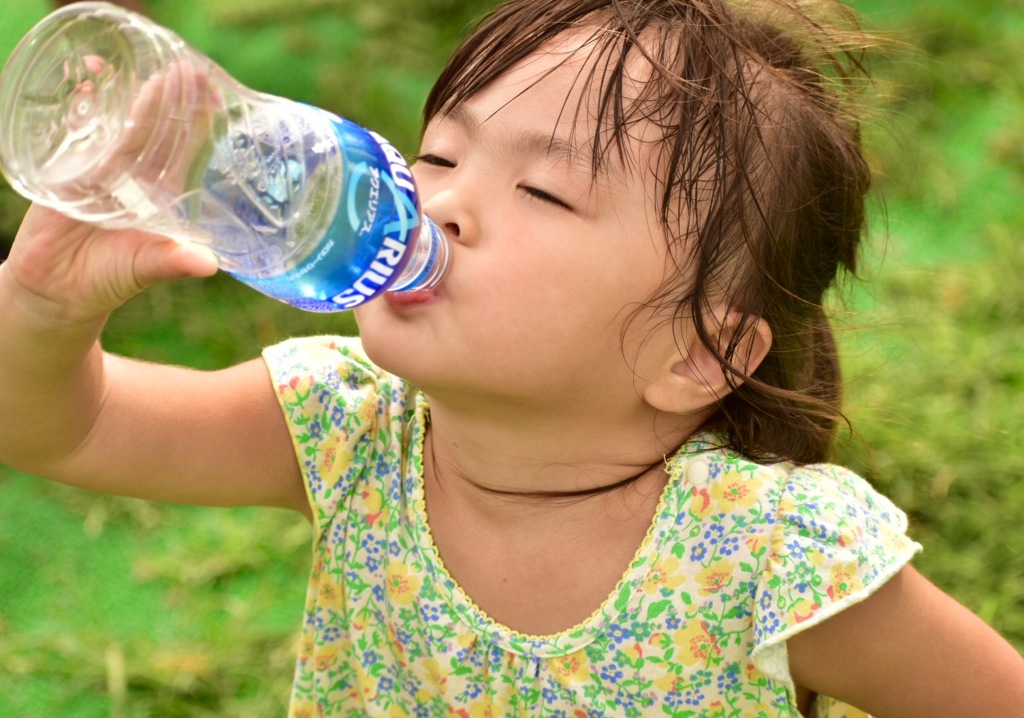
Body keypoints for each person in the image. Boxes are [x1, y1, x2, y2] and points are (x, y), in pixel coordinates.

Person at [1, 0, 1022, 715]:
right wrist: (42, 306)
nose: (436, 199)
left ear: (698, 351)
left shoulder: (772, 560)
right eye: (438, 154)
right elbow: (67, 428)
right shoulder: (348, 426)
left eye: (542, 192)